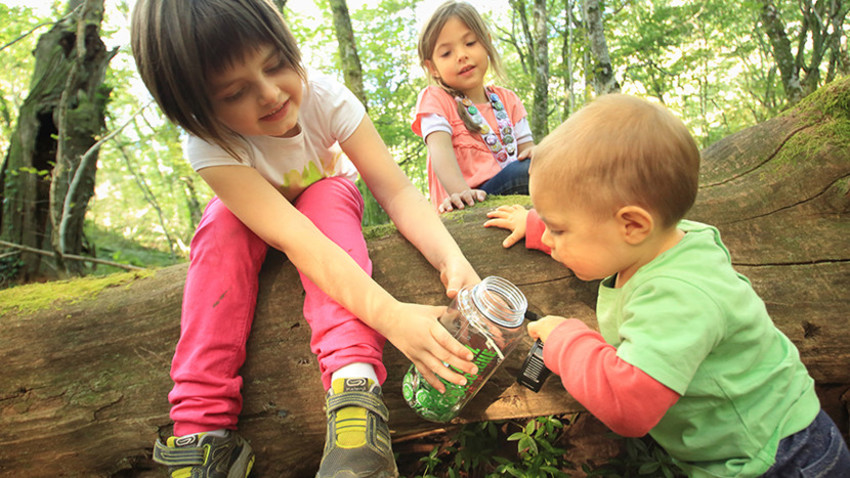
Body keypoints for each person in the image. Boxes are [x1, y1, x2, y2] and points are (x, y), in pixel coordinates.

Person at [130, 1, 482, 477]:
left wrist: (451, 256)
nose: (271, 93)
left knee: (324, 199)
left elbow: (397, 192)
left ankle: (354, 395)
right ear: (196, 110)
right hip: (261, 221)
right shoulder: (208, 144)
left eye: (276, 64)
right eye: (235, 92)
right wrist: (393, 318)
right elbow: (297, 241)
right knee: (219, 226)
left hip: (326, 202)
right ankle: (201, 431)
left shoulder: (327, 99)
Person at [485, 94, 850, 477]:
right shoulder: (660, 243)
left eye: (559, 228)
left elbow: (629, 405)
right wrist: (540, 229)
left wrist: (566, 341)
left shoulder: (678, 294)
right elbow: (600, 233)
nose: (553, 238)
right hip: (752, 447)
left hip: (776, 457)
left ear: (634, 225)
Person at [412, 0, 534, 214]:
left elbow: (527, 153)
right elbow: (440, 153)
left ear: (486, 43)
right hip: (468, 202)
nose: (461, 55)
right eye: (446, 53)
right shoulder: (437, 99)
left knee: (542, 167)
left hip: (513, 187)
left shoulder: (508, 99)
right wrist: (460, 192)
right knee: (523, 173)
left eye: (470, 43)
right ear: (433, 68)